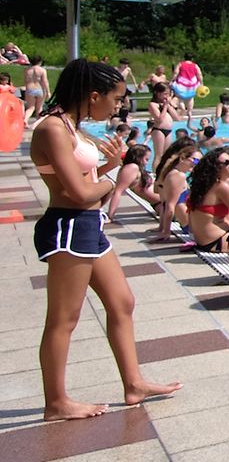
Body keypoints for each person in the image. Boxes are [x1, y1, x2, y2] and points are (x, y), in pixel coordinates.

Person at [30, 59, 182, 419]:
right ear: (93, 95)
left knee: (122, 302)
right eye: (115, 99)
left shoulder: (71, 126)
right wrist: (115, 181)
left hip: (86, 224)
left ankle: (133, 384)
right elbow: (80, 193)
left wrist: (106, 169)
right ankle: (56, 402)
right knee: (64, 318)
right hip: (69, 226)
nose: (118, 107)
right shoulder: (53, 127)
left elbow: (82, 182)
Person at [187, 147, 229, 253]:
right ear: (216, 167)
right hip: (216, 242)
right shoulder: (221, 187)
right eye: (226, 162)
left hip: (203, 240)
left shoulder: (203, 185)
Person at [148, 139, 198, 244]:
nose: (196, 164)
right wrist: (166, 232)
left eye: (198, 162)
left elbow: (165, 203)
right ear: (183, 158)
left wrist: (162, 228)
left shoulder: (172, 172)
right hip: (191, 227)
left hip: (190, 225)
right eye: (195, 160)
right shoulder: (178, 176)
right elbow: (170, 206)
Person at [104, 144, 161, 222]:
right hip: (161, 203)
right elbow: (117, 192)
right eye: (146, 159)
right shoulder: (131, 168)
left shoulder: (136, 168)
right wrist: (110, 216)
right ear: (138, 157)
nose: (147, 163)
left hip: (162, 202)